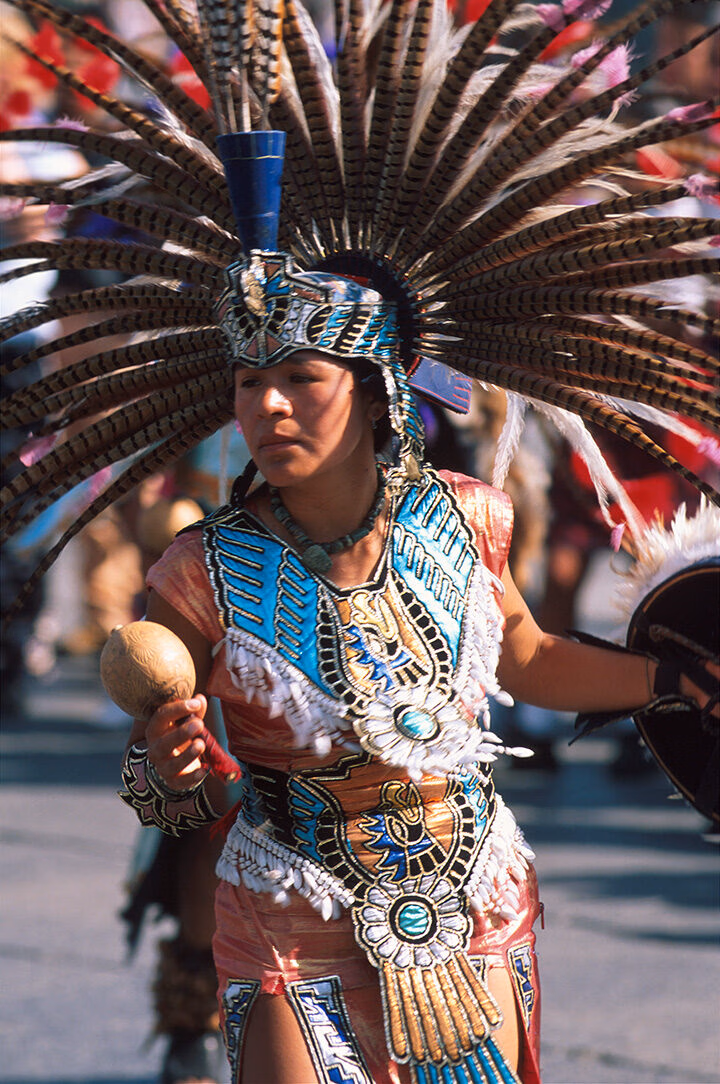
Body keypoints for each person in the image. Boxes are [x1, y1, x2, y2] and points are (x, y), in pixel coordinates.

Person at [2, 2, 718, 1081]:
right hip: (289, 899)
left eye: (301, 380)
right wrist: (168, 766)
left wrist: (666, 677)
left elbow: (524, 660)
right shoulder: (200, 568)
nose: (270, 408)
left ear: (378, 393)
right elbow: (167, 788)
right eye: (250, 383)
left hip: (472, 892)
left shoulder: (472, 513)